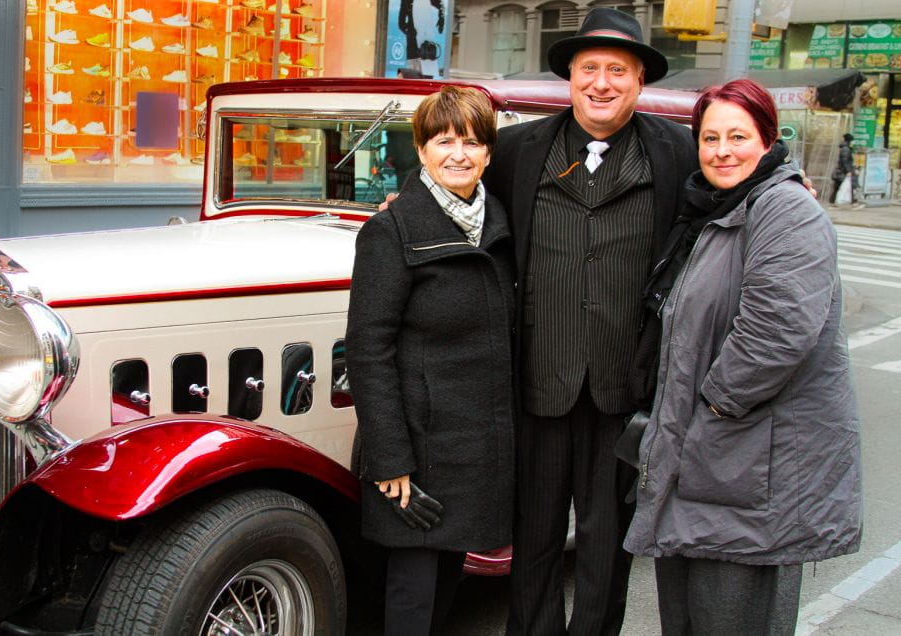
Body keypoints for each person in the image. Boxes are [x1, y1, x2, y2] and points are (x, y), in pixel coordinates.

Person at [479, 9, 698, 634]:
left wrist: (788, 189)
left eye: (618, 71)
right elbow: (455, 184)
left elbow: (738, 174)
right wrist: (405, 203)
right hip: (538, 382)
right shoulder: (519, 150)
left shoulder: (676, 151)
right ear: (571, 78)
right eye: (590, 69)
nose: (602, 83)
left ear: (638, 82)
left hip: (620, 388)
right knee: (536, 541)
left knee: (606, 547)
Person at [624, 78, 862, 634]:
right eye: (710, 138)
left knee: (735, 616)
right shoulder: (711, 210)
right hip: (706, 453)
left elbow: (777, 333)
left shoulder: (783, 209)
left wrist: (711, 409)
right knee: (689, 616)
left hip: (751, 462)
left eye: (738, 135)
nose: (722, 150)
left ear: (767, 140)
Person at [345, 85, 515, 636]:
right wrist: (390, 460)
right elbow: (369, 351)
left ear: (489, 152)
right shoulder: (389, 233)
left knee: (447, 584)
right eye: (444, 141)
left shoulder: (501, 226)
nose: (458, 154)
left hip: (473, 445)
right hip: (417, 448)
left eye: (470, 141)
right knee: (412, 596)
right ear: (421, 150)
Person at [830, 132, 856, 205]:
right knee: (846, 185)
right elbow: (844, 160)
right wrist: (848, 170)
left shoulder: (845, 148)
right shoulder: (846, 149)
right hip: (842, 171)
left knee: (839, 186)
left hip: (841, 171)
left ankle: (833, 202)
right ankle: (852, 202)